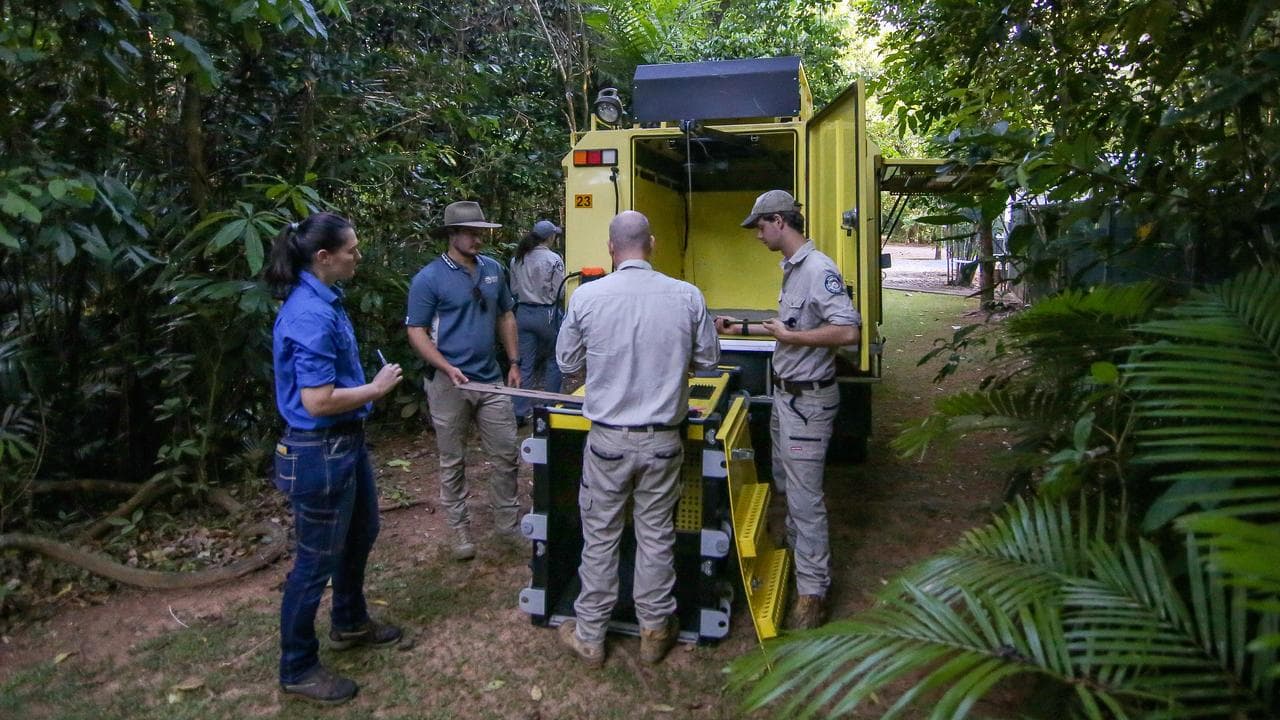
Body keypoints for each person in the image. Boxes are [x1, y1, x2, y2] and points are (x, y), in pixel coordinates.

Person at [554, 211, 720, 666]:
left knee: (602, 535)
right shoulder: (687, 295)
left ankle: (589, 635)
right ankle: (654, 630)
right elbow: (708, 360)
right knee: (655, 535)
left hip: (607, 441)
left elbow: (567, 362)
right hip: (663, 440)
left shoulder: (587, 297)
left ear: (611, 248)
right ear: (653, 243)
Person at [265, 212, 405, 705]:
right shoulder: (310, 314)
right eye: (352, 249)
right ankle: (297, 666)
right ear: (324, 258)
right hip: (320, 450)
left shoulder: (326, 300)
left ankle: (348, 622)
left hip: (345, 444)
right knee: (314, 561)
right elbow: (317, 401)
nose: (358, 256)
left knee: (361, 532)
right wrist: (376, 388)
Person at [714, 190, 861, 630]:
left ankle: (813, 593)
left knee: (804, 496)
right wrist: (740, 327)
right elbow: (791, 326)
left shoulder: (818, 270)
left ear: (779, 221)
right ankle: (797, 561)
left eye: (760, 226)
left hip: (808, 402)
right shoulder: (794, 270)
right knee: (785, 484)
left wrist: (794, 341)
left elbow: (848, 331)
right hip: (787, 398)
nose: (757, 234)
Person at [405, 200, 522, 562]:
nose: (478, 238)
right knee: (452, 459)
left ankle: (508, 526)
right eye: (471, 232)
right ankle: (459, 530)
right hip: (448, 384)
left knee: (506, 454)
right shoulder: (429, 278)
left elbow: (506, 315)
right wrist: (445, 366)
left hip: (490, 381)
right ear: (452, 235)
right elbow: (416, 330)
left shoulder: (493, 269)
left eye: (480, 232)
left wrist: (514, 362)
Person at [508, 219, 567, 426]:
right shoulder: (554, 259)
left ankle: (520, 411)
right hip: (547, 314)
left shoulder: (518, 258)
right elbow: (560, 289)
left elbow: (514, 289)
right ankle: (550, 407)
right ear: (550, 237)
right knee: (554, 360)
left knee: (526, 364)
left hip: (523, 313)